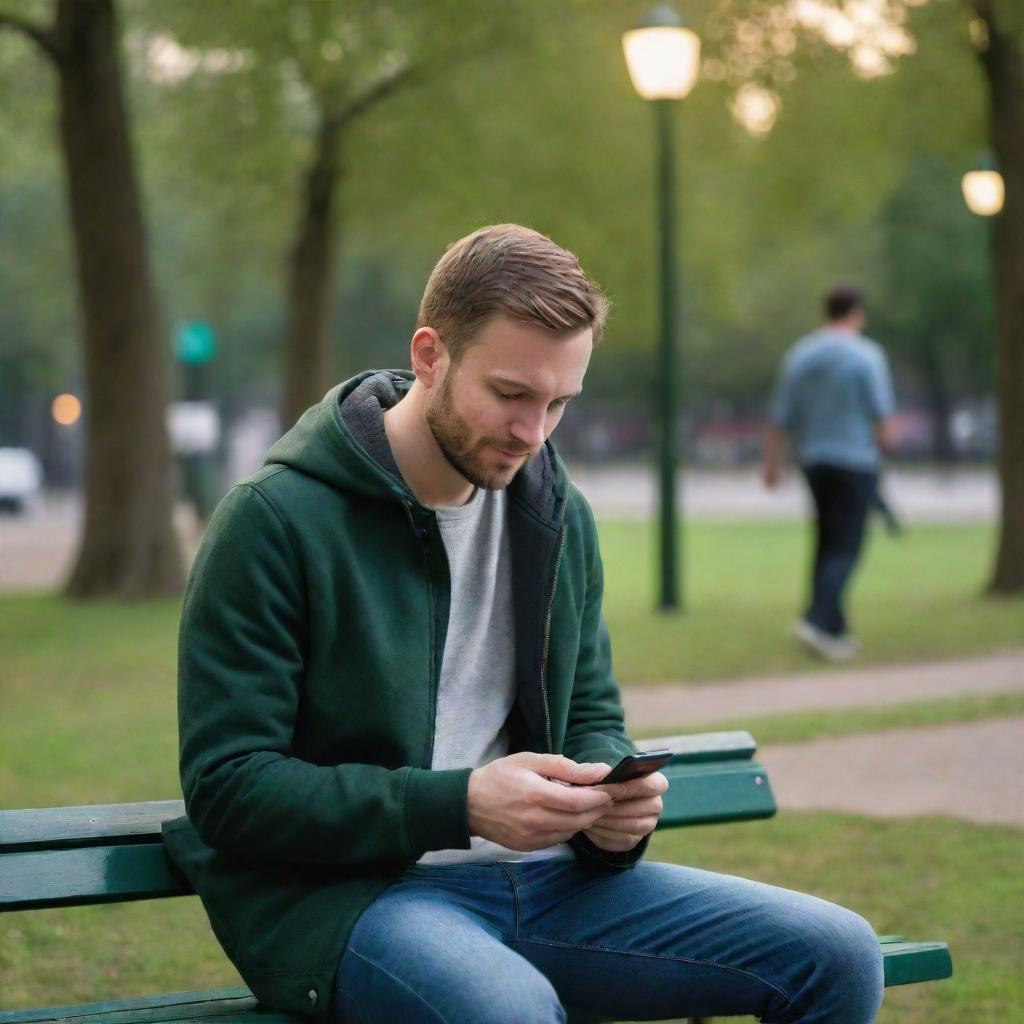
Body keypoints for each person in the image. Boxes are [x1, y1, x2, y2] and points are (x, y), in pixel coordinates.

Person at [165, 226, 884, 1023]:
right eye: (511, 394)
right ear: (431, 354)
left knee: (838, 955)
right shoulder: (273, 521)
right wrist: (461, 803)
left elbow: (590, 714)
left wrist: (613, 804)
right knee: (506, 1009)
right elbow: (228, 789)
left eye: (559, 403)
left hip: (549, 883)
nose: (534, 433)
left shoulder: (554, 510)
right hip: (355, 899)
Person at [762, 284, 896, 662]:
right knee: (847, 545)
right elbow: (881, 415)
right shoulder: (867, 355)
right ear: (857, 313)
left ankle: (835, 630)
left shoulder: (802, 354)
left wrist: (771, 464)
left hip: (815, 461)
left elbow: (780, 416)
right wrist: (889, 444)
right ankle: (817, 620)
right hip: (855, 462)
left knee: (825, 540)